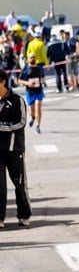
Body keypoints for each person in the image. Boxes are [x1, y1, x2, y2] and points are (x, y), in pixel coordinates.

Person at [0, 68, 31, 228]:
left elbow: (21, 122)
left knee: (19, 184)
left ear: (3, 81)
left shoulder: (17, 99)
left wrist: (2, 127)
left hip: (14, 149)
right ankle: (0, 218)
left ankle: (24, 215)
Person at [20, 53, 45, 133]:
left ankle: (38, 126)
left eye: (34, 57)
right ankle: (33, 117)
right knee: (31, 110)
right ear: (28, 59)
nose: (32, 59)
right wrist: (28, 83)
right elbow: (19, 80)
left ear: (36, 58)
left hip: (39, 90)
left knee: (38, 107)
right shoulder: (26, 69)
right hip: (30, 92)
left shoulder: (39, 68)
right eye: (31, 57)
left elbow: (43, 78)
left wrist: (42, 81)